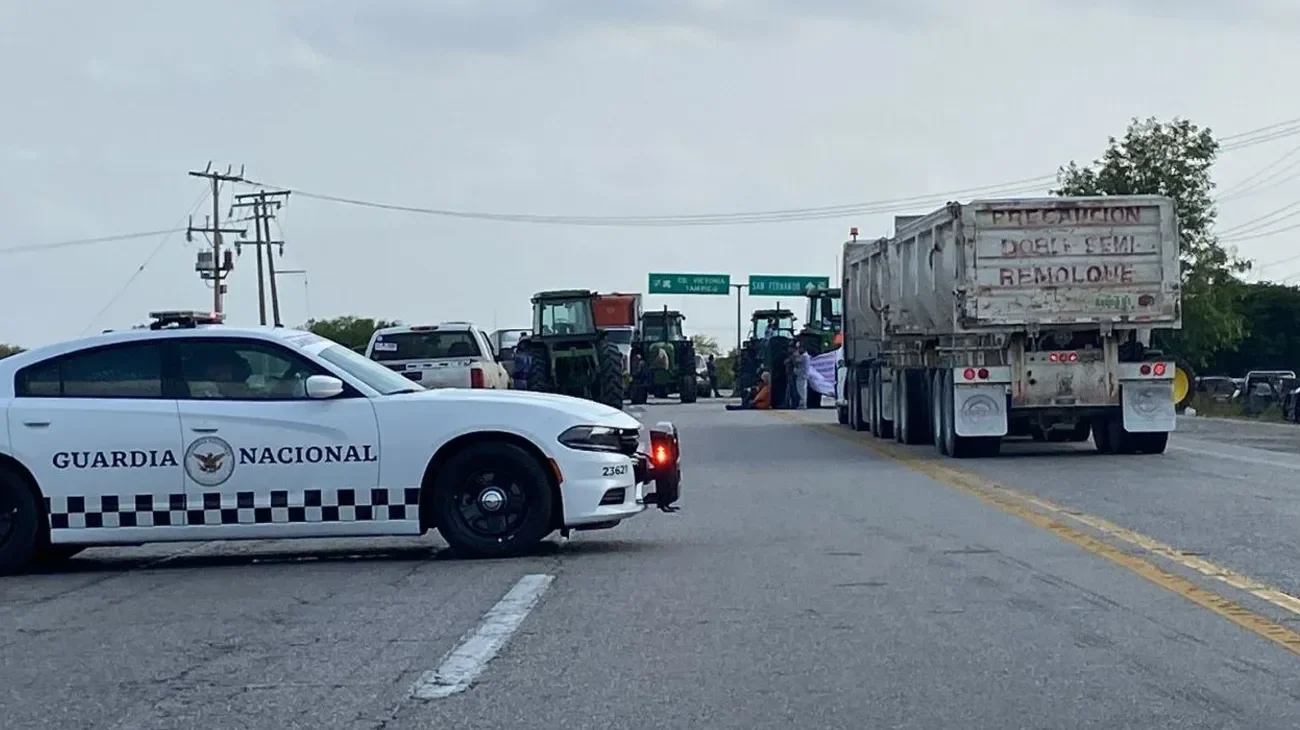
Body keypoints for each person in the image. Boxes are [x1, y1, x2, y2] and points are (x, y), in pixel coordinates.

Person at [792, 340, 810, 409]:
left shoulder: (804, 356)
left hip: (802, 376)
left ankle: (803, 404)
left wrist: (794, 354)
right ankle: (802, 403)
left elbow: (796, 361)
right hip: (801, 375)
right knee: (801, 390)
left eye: (799, 348)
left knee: (801, 390)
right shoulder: (804, 355)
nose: (798, 349)